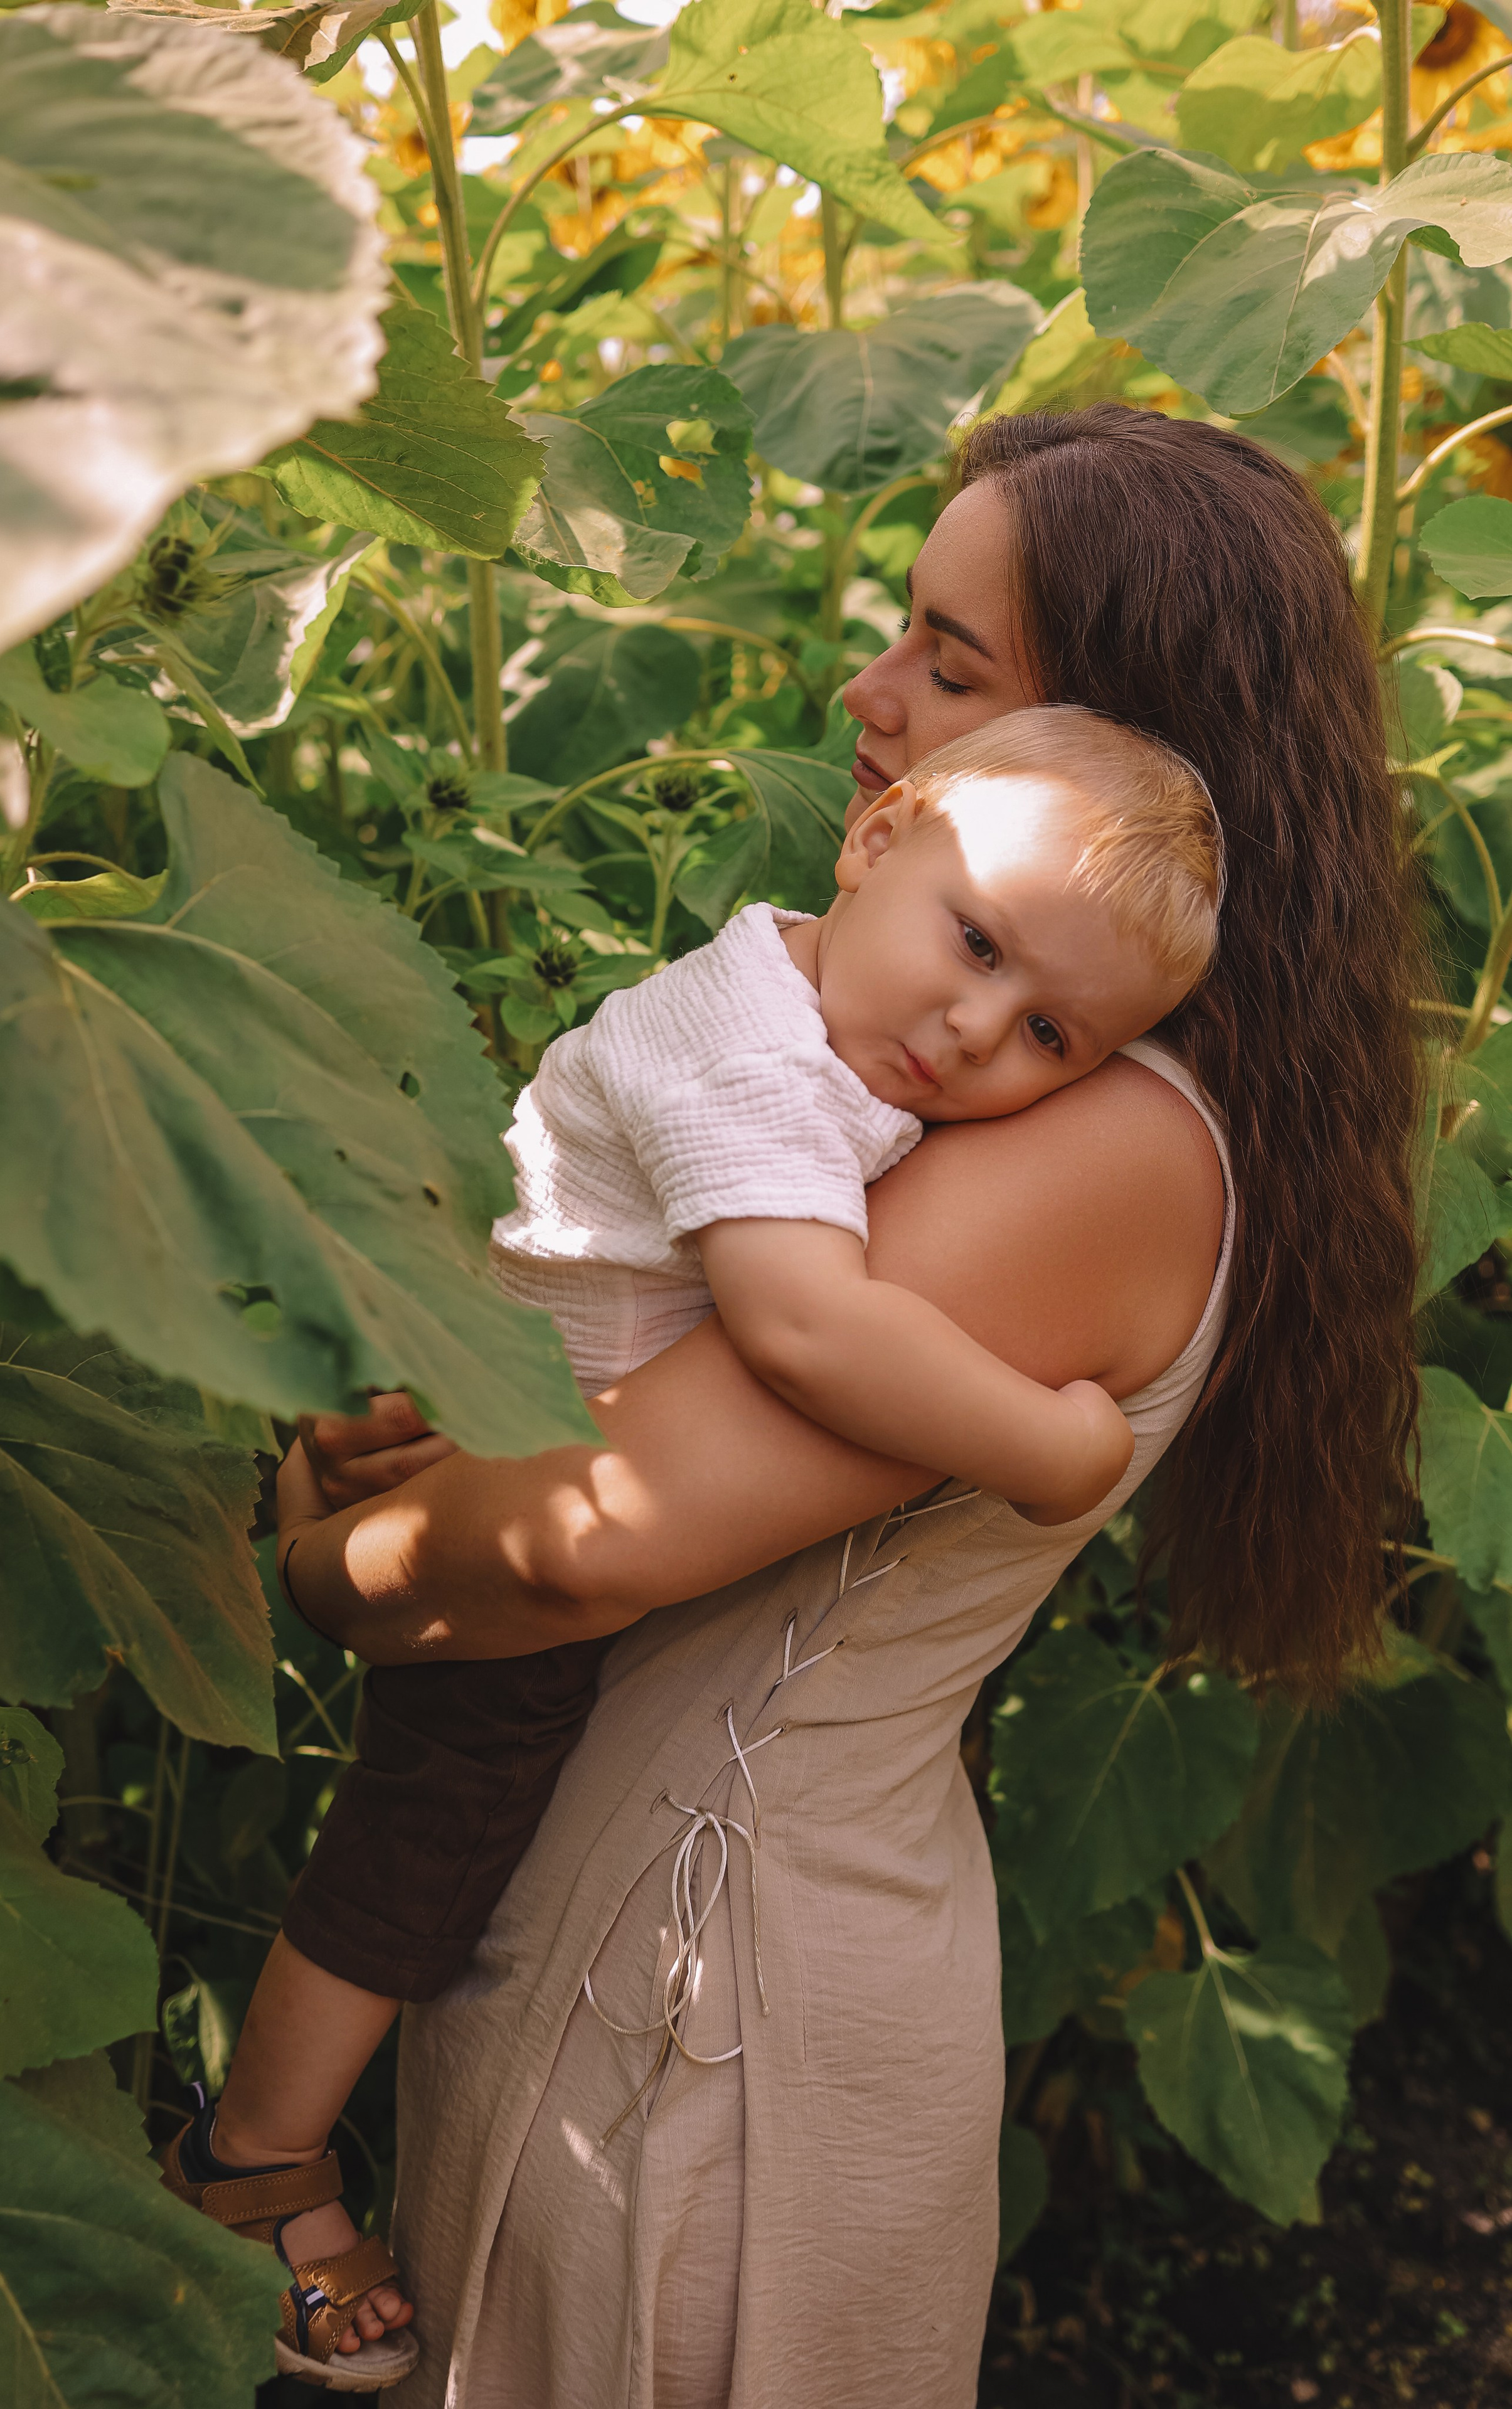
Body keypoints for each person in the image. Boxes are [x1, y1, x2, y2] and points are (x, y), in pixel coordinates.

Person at [197, 407, 1424, 2406]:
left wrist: (323, 1561)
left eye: (951, 658)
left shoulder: (1098, 1139)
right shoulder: (1022, 1067)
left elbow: (574, 1548)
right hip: (675, 1943)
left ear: (1115, 746)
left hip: (702, 2006)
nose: (871, 693)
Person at [161, 705, 1224, 2380]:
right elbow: (805, 1332)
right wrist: (1060, 1446)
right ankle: (253, 2160)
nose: (975, 1030)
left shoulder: (844, 1021)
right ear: (873, 840)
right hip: (485, 1491)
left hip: (490, 1441)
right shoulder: (759, 1062)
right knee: (423, 1838)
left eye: (1049, 1034)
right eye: (974, 947)